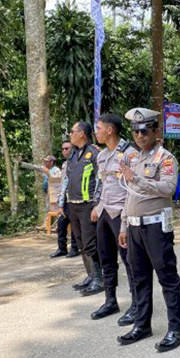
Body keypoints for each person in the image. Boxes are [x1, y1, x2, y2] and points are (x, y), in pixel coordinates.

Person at [117, 107, 180, 352]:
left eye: (144, 130)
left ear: (156, 131)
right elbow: (129, 196)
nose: (139, 136)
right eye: (135, 131)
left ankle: (176, 328)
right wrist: (124, 225)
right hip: (135, 228)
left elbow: (168, 188)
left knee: (167, 277)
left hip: (156, 226)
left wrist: (136, 179)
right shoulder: (133, 159)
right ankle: (142, 324)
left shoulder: (165, 158)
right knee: (140, 278)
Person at [89, 113, 138, 322]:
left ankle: (137, 304)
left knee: (130, 260)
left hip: (121, 213)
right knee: (106, 257)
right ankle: (110, 300)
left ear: (110, 130)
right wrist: (97, 205)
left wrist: (126, 222)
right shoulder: (101, 156)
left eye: (99, 128)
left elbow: (133, 188)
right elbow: (102, 184)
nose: (96, 132)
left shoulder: (129, 153)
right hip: (104, 212)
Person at [57, 121, 103, 294]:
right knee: (81, 243)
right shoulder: (73, 155)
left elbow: (100, 180)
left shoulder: (94, 153)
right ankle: (90, 275)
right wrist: (63, 203)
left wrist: (96, 205)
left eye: (72, 131)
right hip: (73, 206)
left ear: (82, 133)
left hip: (88, 205)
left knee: (91, 243)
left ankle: (100, 279)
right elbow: (66, 180)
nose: (70, 134)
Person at [50, 141, 81, 258]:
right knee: (61, 224)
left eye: (67, 148)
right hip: (65, 199)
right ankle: (62, 248)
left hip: (75, 198)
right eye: (62, 149)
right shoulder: (64, 165)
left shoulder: (78, 163)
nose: (64, 151)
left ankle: (74, 247)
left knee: (74, 225)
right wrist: (60, 201)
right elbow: (63, 183)